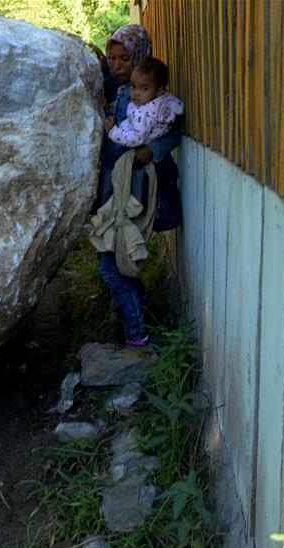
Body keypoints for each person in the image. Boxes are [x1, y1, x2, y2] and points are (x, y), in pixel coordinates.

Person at [95, 24, 183, 347]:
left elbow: (174, 132)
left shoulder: (154, 97)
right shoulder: (117, 89)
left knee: (113, 264)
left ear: (140, 58)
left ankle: (136, 334)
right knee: (120, 260)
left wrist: (153, 150)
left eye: (124, 58)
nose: (117, 65)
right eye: (112, 58)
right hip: (113, 192)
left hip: (134, 193)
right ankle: (131, 321)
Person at [105, 57, 183, 148]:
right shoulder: (164, 98)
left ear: (159, 91)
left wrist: (113, 132)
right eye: (133, 86)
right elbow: (179, 107)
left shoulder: (144, 116)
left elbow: (135, 139)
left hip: (131, 143)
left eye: (144, 89)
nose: (136, 93)